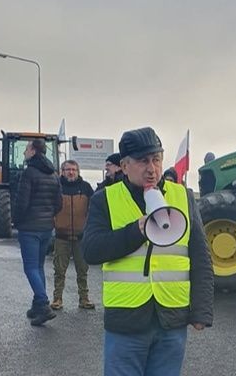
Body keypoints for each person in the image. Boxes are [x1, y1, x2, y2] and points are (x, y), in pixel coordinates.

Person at [83, 127, 214, 376]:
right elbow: (91, 250)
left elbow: (200, 256)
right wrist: (136, 230)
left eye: (156, 159)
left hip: (171, 317)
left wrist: (201, 310)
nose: (151, 168)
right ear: (124, 165)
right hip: (126, 319)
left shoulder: (183, 197)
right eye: (143, 161)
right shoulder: (104, 199)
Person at [13, 139, 62, 326]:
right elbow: (59, 203)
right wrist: (48, 216)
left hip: (30, 228)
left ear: (33, 151)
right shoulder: (53, 174)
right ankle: (36, 304)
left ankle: (43, 304)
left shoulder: (29, 173)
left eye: (26, 149)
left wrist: (17, 220)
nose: (25, 152)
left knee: (30, 267)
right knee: (39, 266)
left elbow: (21, 202)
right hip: (46, 228)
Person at [51, 159, 95, 311]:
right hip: (61, 236)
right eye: (68, 169)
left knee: (82, 270)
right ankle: (57, 299)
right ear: (62, 172)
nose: (71, 172)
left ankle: (84, 298)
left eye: (74, 170)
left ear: (78, 171)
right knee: (59, 270)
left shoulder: (86, 188)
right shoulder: (56, 187)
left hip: (81, 237)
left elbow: (93, 210)